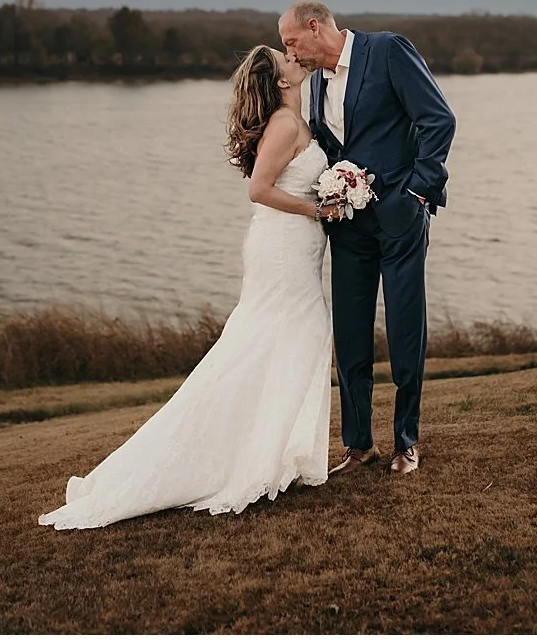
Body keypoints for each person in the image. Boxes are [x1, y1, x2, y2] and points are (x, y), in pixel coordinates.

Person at [39, 45, 335, 529]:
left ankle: (278, 452)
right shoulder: (284, 124)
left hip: (291, 246)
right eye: (285, 58)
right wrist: (319, 210)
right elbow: (257, 189)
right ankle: (251, 457)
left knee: (284, 342)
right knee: (284, 339)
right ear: (280, 82)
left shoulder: (294, 118)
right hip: (283, 247)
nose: (292, 57)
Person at [278, 0, 454, 477]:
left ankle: (406, 441)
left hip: (399, 219)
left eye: (292, 42)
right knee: (351, 337)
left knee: (404, 328)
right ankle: (358, 446)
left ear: (315, 27)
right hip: (348, 227)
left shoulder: (388, 51)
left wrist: (416, 192)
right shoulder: (313, 83)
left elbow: (439, 120)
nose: (289, 53)